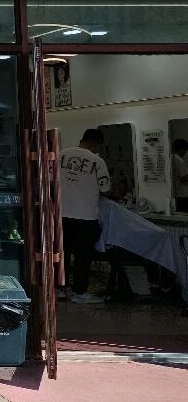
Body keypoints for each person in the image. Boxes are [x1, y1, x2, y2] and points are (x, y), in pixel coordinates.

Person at [59, 128, 111, 304]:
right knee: (83, 256)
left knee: (62, 254)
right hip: (86, 217)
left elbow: (48, 181)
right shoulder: (97, 161)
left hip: (61, 215)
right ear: (97, 143)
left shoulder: (60, 155)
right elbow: (105, 189)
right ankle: (79, 292)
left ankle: (60, 289)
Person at [172, 139, 188, 214]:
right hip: (182, 194)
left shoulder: (171, 158)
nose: (185, 153)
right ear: (181, 149)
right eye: (185, 150)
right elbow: (183, 178)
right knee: (184, 215)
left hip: (175, 193)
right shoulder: (179, 160)